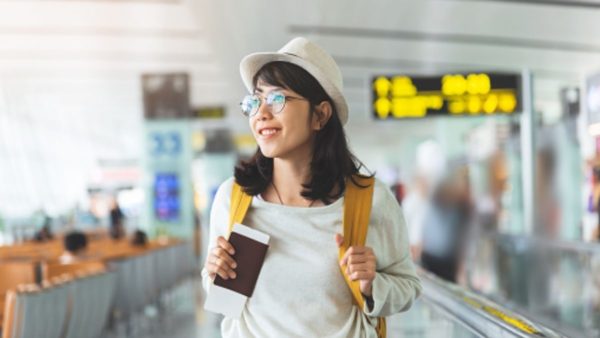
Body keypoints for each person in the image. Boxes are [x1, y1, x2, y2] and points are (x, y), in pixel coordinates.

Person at [201, 37, 421, 338]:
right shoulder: (236, 198)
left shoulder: (369, 200)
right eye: (255, 100)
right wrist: (214, 272)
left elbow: (408, 286)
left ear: (320, 115)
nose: (261, 113)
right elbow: (225, 300)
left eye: (277, 99)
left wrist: (372, 284)